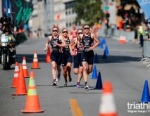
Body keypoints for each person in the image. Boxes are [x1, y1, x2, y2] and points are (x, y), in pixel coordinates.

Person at [81, 24, 100, 90]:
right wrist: (79, 47)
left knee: (90, 70)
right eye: (85, 28)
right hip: (84, 53)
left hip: (90, 54)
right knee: (84, 68)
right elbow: (77, 42)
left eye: (87, 28)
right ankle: (86, 83)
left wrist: (93, 47)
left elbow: (98, 42)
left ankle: (86, 73)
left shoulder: (92, 35)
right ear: (83, 29)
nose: (86, 29)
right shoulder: (81, 36)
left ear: (89, 29)